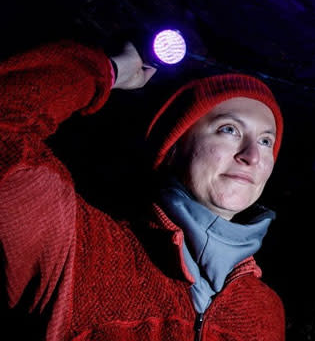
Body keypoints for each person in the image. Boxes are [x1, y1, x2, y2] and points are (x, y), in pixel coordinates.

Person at [0, 40, 286, 340]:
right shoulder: (85, 249)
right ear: (174, 147)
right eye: (229, 129)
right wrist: (109, 70)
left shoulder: (264, 311)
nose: (251, 155)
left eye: (266, 141)